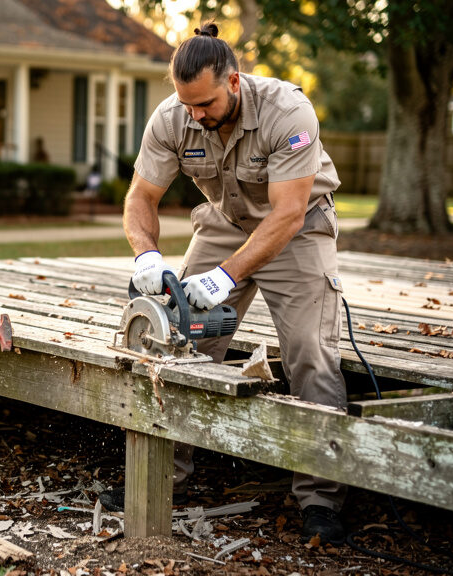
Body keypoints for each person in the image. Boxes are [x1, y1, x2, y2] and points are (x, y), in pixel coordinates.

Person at [110, 22, 348, 545]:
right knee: (181, 339)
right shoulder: (173, 117)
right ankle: (163, 476)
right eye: (187, 104)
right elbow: (139, 198)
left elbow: (285, 215)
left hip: (299, 227)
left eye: (206, 103)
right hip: (224, 219)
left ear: (235, 81)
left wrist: (226, 276)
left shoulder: (288, 111)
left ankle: (320, 498)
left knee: (309, 349)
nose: (196, 115)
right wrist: (146, 254)